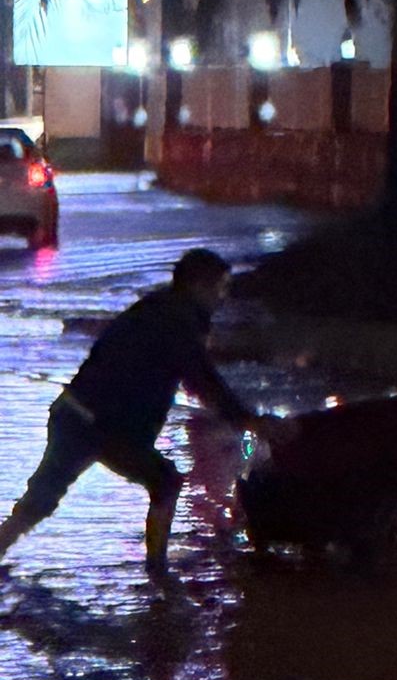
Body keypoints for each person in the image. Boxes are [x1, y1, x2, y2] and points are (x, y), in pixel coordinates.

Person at [0, 248, 278, 578]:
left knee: (42, 498)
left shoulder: (155, 309)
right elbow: (203, 380)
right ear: (199, 285)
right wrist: (251, 420)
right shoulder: (177, 321)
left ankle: (2, 546)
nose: (222, 297)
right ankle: (157, 572)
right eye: (220, 287)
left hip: (73, 412)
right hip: (105, 426)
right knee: (166, 481)